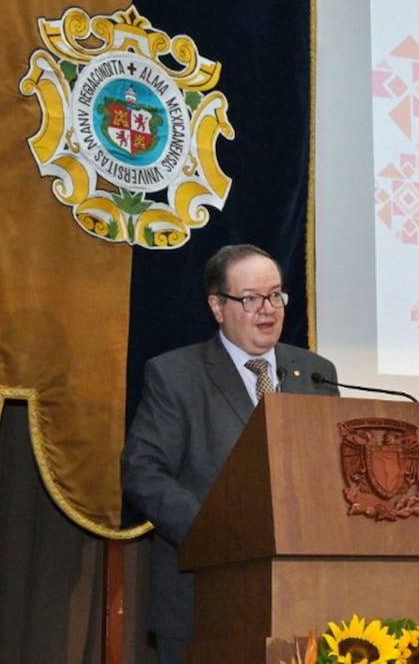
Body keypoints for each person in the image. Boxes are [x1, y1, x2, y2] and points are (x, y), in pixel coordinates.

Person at [121, 244, 340, 663]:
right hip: (203, 599)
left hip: (302, 598)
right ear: (217, 306)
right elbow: (142, 471)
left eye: (275, 295)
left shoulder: (316, 373)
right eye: (251, 298)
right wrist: (216, 531)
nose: (268, 309)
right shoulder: (177, 375)